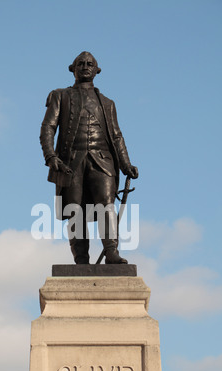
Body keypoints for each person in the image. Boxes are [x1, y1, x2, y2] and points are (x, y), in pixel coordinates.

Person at [40, 51, 138, 264]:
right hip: (71, 162)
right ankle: (81, 259)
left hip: (102, 161)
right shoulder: (60, 95)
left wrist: (126, 164)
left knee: (106, 204)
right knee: (75, 210)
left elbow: (117, 135)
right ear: (73, 68)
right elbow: (48, 127)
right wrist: (50, 155)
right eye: (81, 63)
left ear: (97, 70)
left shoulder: (108, 103)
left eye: (90, 64)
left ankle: (111, 251)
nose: (85, 66)